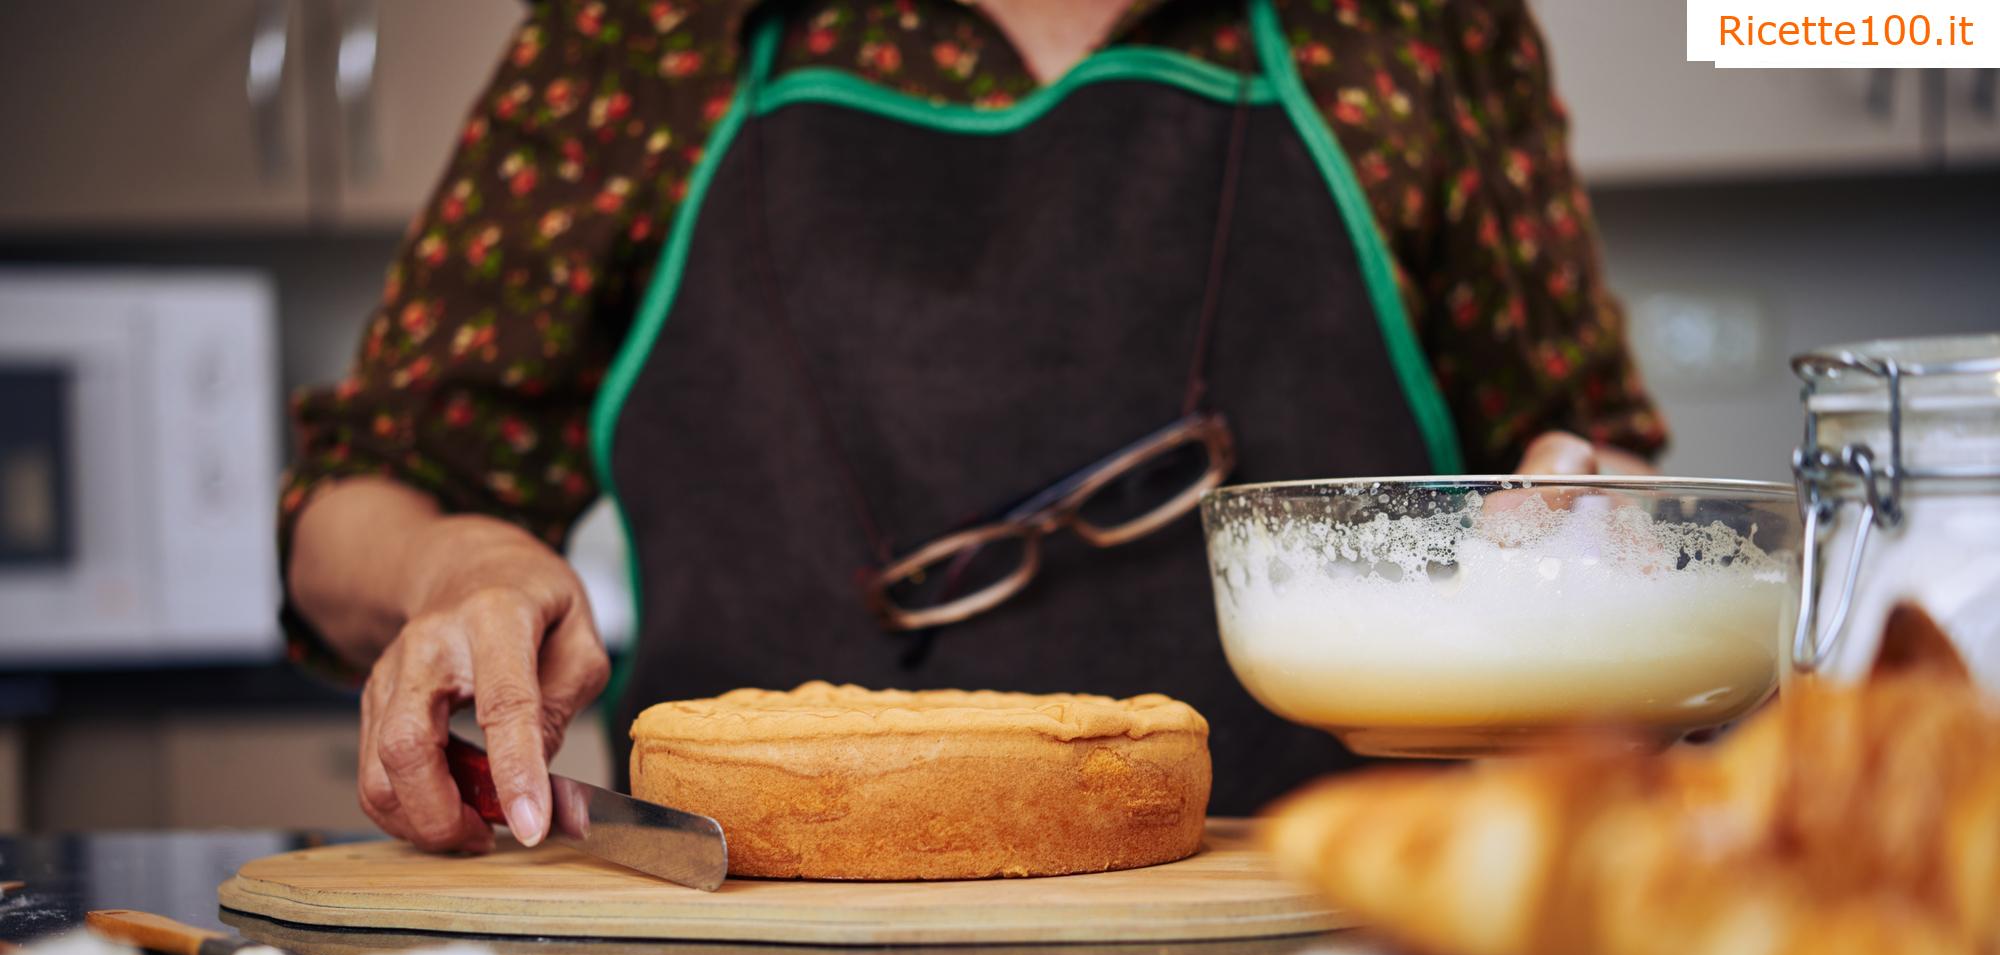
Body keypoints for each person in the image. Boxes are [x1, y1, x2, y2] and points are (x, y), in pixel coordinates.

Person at [284, 0, 1662, 860]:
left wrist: (1586, 523)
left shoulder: (1417, 24)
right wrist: (451, 575)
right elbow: (359, 500)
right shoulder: (644, 34)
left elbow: (1590, 455)